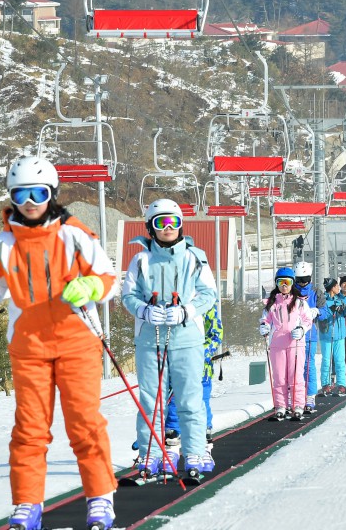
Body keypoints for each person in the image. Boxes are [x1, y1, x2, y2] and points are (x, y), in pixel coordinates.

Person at [0, 157, 120, 530]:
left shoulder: (74, 234)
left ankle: (100, 498)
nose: (30, 201)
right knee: (29, 429)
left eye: (39, 193)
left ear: (51, 194)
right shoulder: (2, 243)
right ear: (12, 197)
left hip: (77, 342)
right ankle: (27, 504)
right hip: (28, 347)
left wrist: (92, 286)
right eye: (22, 194)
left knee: (84, 424)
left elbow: (109, 278)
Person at [123, 198, 218, 484]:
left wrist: (186, 311)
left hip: (186, 340)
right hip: (150, 341)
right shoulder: (140, 260)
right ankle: (150, 451)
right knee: (151, 400)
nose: (167, 228)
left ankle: (195, 450)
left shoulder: (195, 257)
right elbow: (128, 295)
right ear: (150, 228)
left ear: (180, 226)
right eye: (160, 223)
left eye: (173, 222)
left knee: (190, 399)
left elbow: (208, 294)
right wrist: (143, 310)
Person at [165, 298, 223, 455]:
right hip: (178, 365)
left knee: (201, 400)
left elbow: (216, 333)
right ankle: (173, 432)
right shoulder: (173, 306)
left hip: (201, 367)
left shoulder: (206, 306)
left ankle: (203, 432)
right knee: (175, 399)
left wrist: (201, 352)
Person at [260, 267, 315, 420]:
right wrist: (264, 327)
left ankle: (297, 405)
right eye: (281, 282)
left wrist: (302, 329)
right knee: (279, 377)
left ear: (292, 283)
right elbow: (265, 319)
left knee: (296, 375)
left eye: (287, 282)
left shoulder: (299, 302)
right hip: (277, 344)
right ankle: (281, 406)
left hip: (295, 343)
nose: (284, 285)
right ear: (276, 283)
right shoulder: (272, 304)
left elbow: (308, 319)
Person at [292, 262, 321, 413]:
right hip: (292, 336)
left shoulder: (316, 292)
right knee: (293, 367)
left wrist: (318, 311)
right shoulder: (290, 291)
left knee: (308, 366)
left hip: (309, 335)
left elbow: (324, 308)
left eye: (305, 279)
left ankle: (310, 395)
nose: (302, 283)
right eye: (299, 279)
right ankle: (295, 396)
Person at [317, 278, 346, 397]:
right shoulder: (323, 300)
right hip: (327, 335)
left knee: (340, 361)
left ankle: (341, 385)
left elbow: (342, 313)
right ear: (332, 287)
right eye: (336, 286)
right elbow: (321, 314)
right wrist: (331, 311)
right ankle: (326, 384)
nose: (338, 288)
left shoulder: (339, 299)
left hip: (339, 335)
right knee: (326, 361)